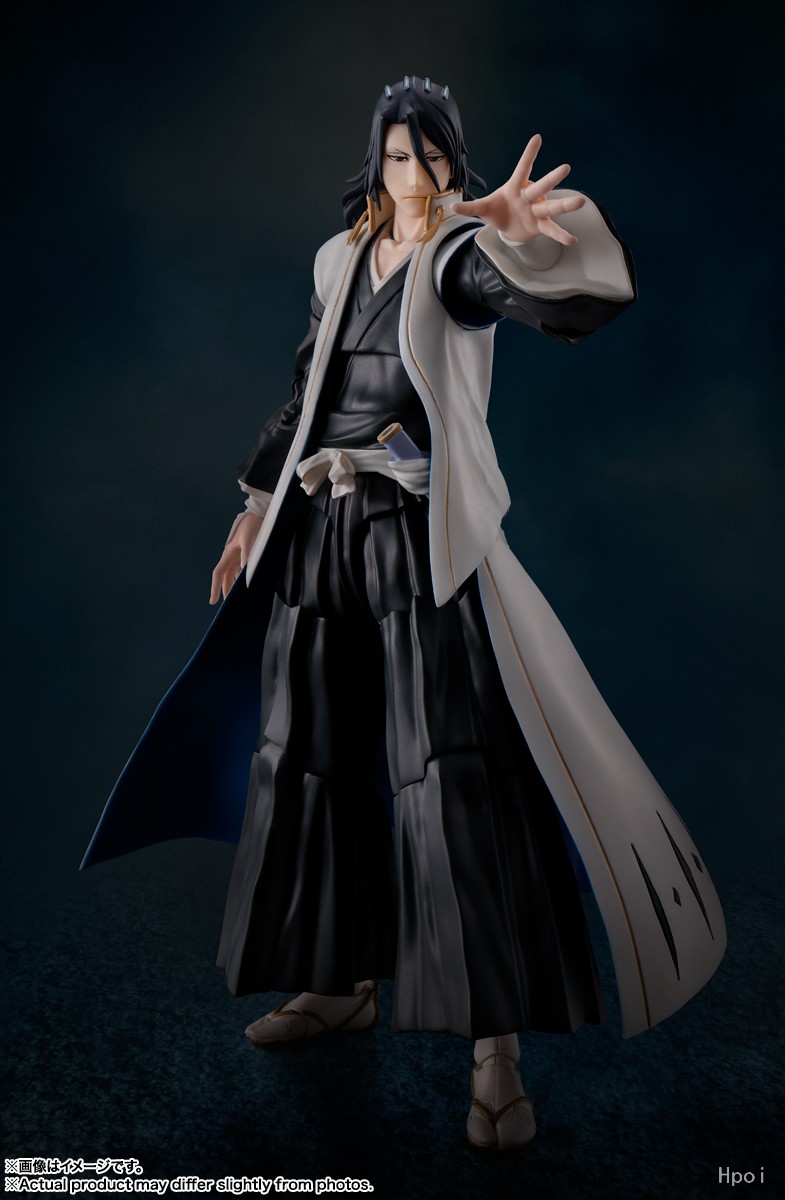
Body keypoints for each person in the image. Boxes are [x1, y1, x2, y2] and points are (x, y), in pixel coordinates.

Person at [83, 76, 725, 1151]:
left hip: (418, 540)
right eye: (396, 155)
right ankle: (339, 984)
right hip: (321, 531)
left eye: (431, 156)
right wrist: (254, 508)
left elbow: (557, 295)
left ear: (450, 162)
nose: (414, 174)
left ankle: (493, 1058)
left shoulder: (457, 258)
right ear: (374, 163)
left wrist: (514, 234)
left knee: (453, 776)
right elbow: (307, 392)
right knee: (309, 760)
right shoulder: (338, 260)